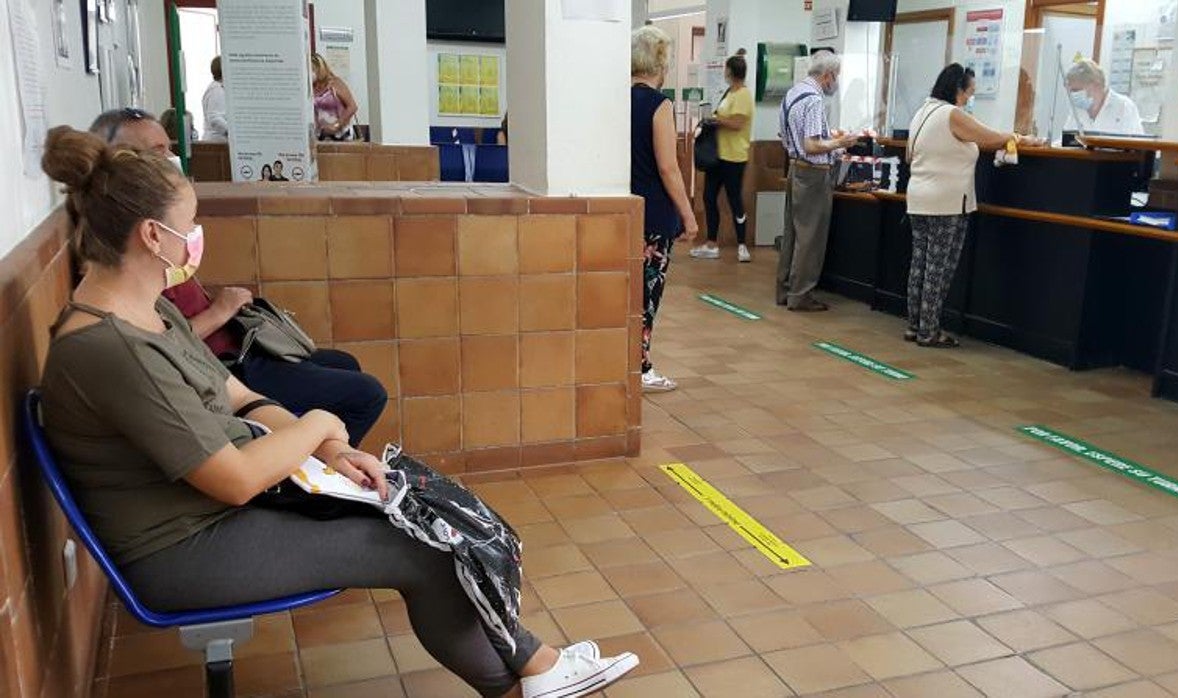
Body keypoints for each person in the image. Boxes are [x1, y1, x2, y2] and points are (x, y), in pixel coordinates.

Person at [37, 125, 640, 698]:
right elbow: (236, 479)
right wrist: (319, 424)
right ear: (150, 236)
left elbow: (238, 395)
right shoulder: (109, 350)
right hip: (184, 548)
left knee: (420, 511)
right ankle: (524, 681)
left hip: (216, 511)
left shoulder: (152, 311)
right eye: (189, 226)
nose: (196, 238)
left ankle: (535, 668)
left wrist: (333, 451)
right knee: (422, 550)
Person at [93, 109, 386, 446]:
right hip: (224, 365)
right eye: (157, 152)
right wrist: (316, 440)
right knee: (366, 395)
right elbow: (170, 349)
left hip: (230, 356)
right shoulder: (133, 271)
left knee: (343, 366)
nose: (170, 158)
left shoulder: (155, 253)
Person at [906, 64, 1041, 347]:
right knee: (938, 267)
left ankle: (915, 324)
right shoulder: (951, 114)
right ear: (957, 89)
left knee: (920, 262)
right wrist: (1020, 138)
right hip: (946, 201)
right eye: (969, 93)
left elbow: (909, 154)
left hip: (918, 197)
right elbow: (989, 137)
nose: (969, 99)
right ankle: (929, 331)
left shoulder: (922, 112)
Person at [631, 26, 698, 393]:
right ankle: (641, 367)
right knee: (647, 295)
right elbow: (668, 167)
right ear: (660, 61)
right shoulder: (660, 105)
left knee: (624, 293)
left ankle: (622, 362)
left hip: (622, 214)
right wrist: (688, 214)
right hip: (654, 217)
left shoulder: (617, 100)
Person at [776, 51, 860, 312]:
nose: (836, 83)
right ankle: (801, 295)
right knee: (810, 237)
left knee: (792, 233)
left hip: (794, 169)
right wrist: (841, 143)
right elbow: (811, 145)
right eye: (836, 78)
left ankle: (784, 290)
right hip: (813, 175)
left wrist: (829, 147)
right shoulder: (813, 100)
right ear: (828, 76)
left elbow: (785, 136)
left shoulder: (792, 94)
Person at [691, 50, 755, 264]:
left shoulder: (744, 95)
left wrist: (716, 121)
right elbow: (723, 116)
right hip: (717, 155)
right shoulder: (729, 93)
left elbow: (737, 124)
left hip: (735, 157)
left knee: (734, 199)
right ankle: (711, 243)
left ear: (730, 71)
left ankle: (742, 245)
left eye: (726, 70)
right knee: (709, 197)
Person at [1064, 59, 1144, 136]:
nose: (1072, 95)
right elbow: (1065, 142)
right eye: (1069, 91)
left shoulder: (1124, 107)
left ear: (1096, 85)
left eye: (1076, 90)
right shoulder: (1077, 110)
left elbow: (1137, 145)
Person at [311, 52, 358, 141]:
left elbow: (352, 107)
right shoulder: (310, 87)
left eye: (312, 70)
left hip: (341, 134)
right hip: (321, 135)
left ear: (319, 69)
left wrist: (337, 125)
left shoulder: (335, 83)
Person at [202, 56, 229, 142]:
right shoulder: (217, 90)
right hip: (216, 142)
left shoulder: (219, 88)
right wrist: (233, 133)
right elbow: (215, 118)